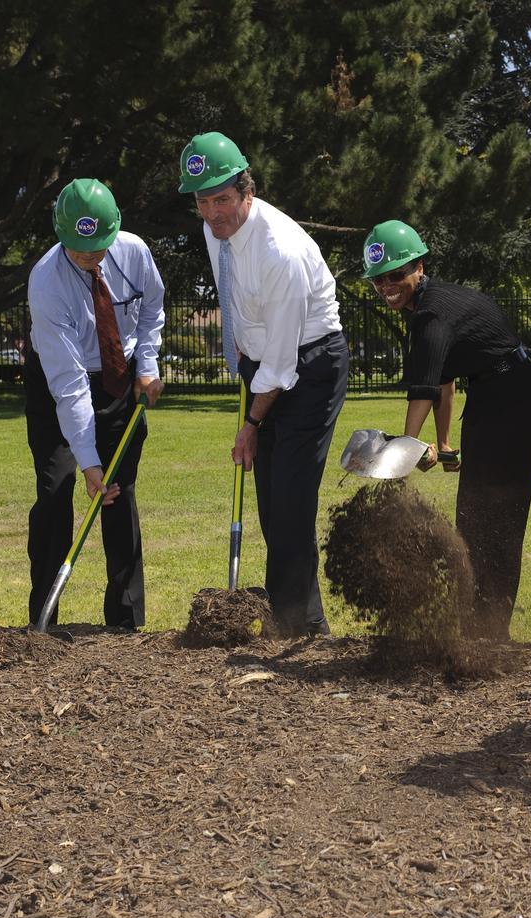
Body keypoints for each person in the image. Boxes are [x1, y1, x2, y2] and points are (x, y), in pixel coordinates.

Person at [178, 131, 350, 637]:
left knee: (292, 496)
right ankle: (295, 614)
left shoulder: (282, 252)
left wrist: (250, 423)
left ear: (246, 192)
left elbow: (282, 362)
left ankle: (299, 627)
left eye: (223, 200)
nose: (213, 213)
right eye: (203, 202)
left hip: (310, 363)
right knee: (272, 501)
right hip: (264, 361)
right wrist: (236, 339)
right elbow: (232, 290)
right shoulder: (217, 231)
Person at [361, 220, 531, 640]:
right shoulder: (425, 309)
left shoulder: (432, 316)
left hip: (516, 402)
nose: (387, 287)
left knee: (496, 514)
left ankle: (490, 628)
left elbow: (423, 390)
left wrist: (405, 449)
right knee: (473, 512)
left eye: (396, 275)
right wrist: (443, 444)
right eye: (378, 281)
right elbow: (445, 381)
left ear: (419, 268)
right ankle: (476, 621)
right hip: (489, 397)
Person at [25, 178, 165, 630]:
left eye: (100, 245)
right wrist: (88, 462)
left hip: (120, 376)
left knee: (119, 490)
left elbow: (151, 309)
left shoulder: (135, 252)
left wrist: (147, 363)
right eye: (80, 247)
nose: (91, 255)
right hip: (59, 382)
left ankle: (124, 621)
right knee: (57, 487)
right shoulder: (46, 282)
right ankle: (44, 622)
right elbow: (68, 386)